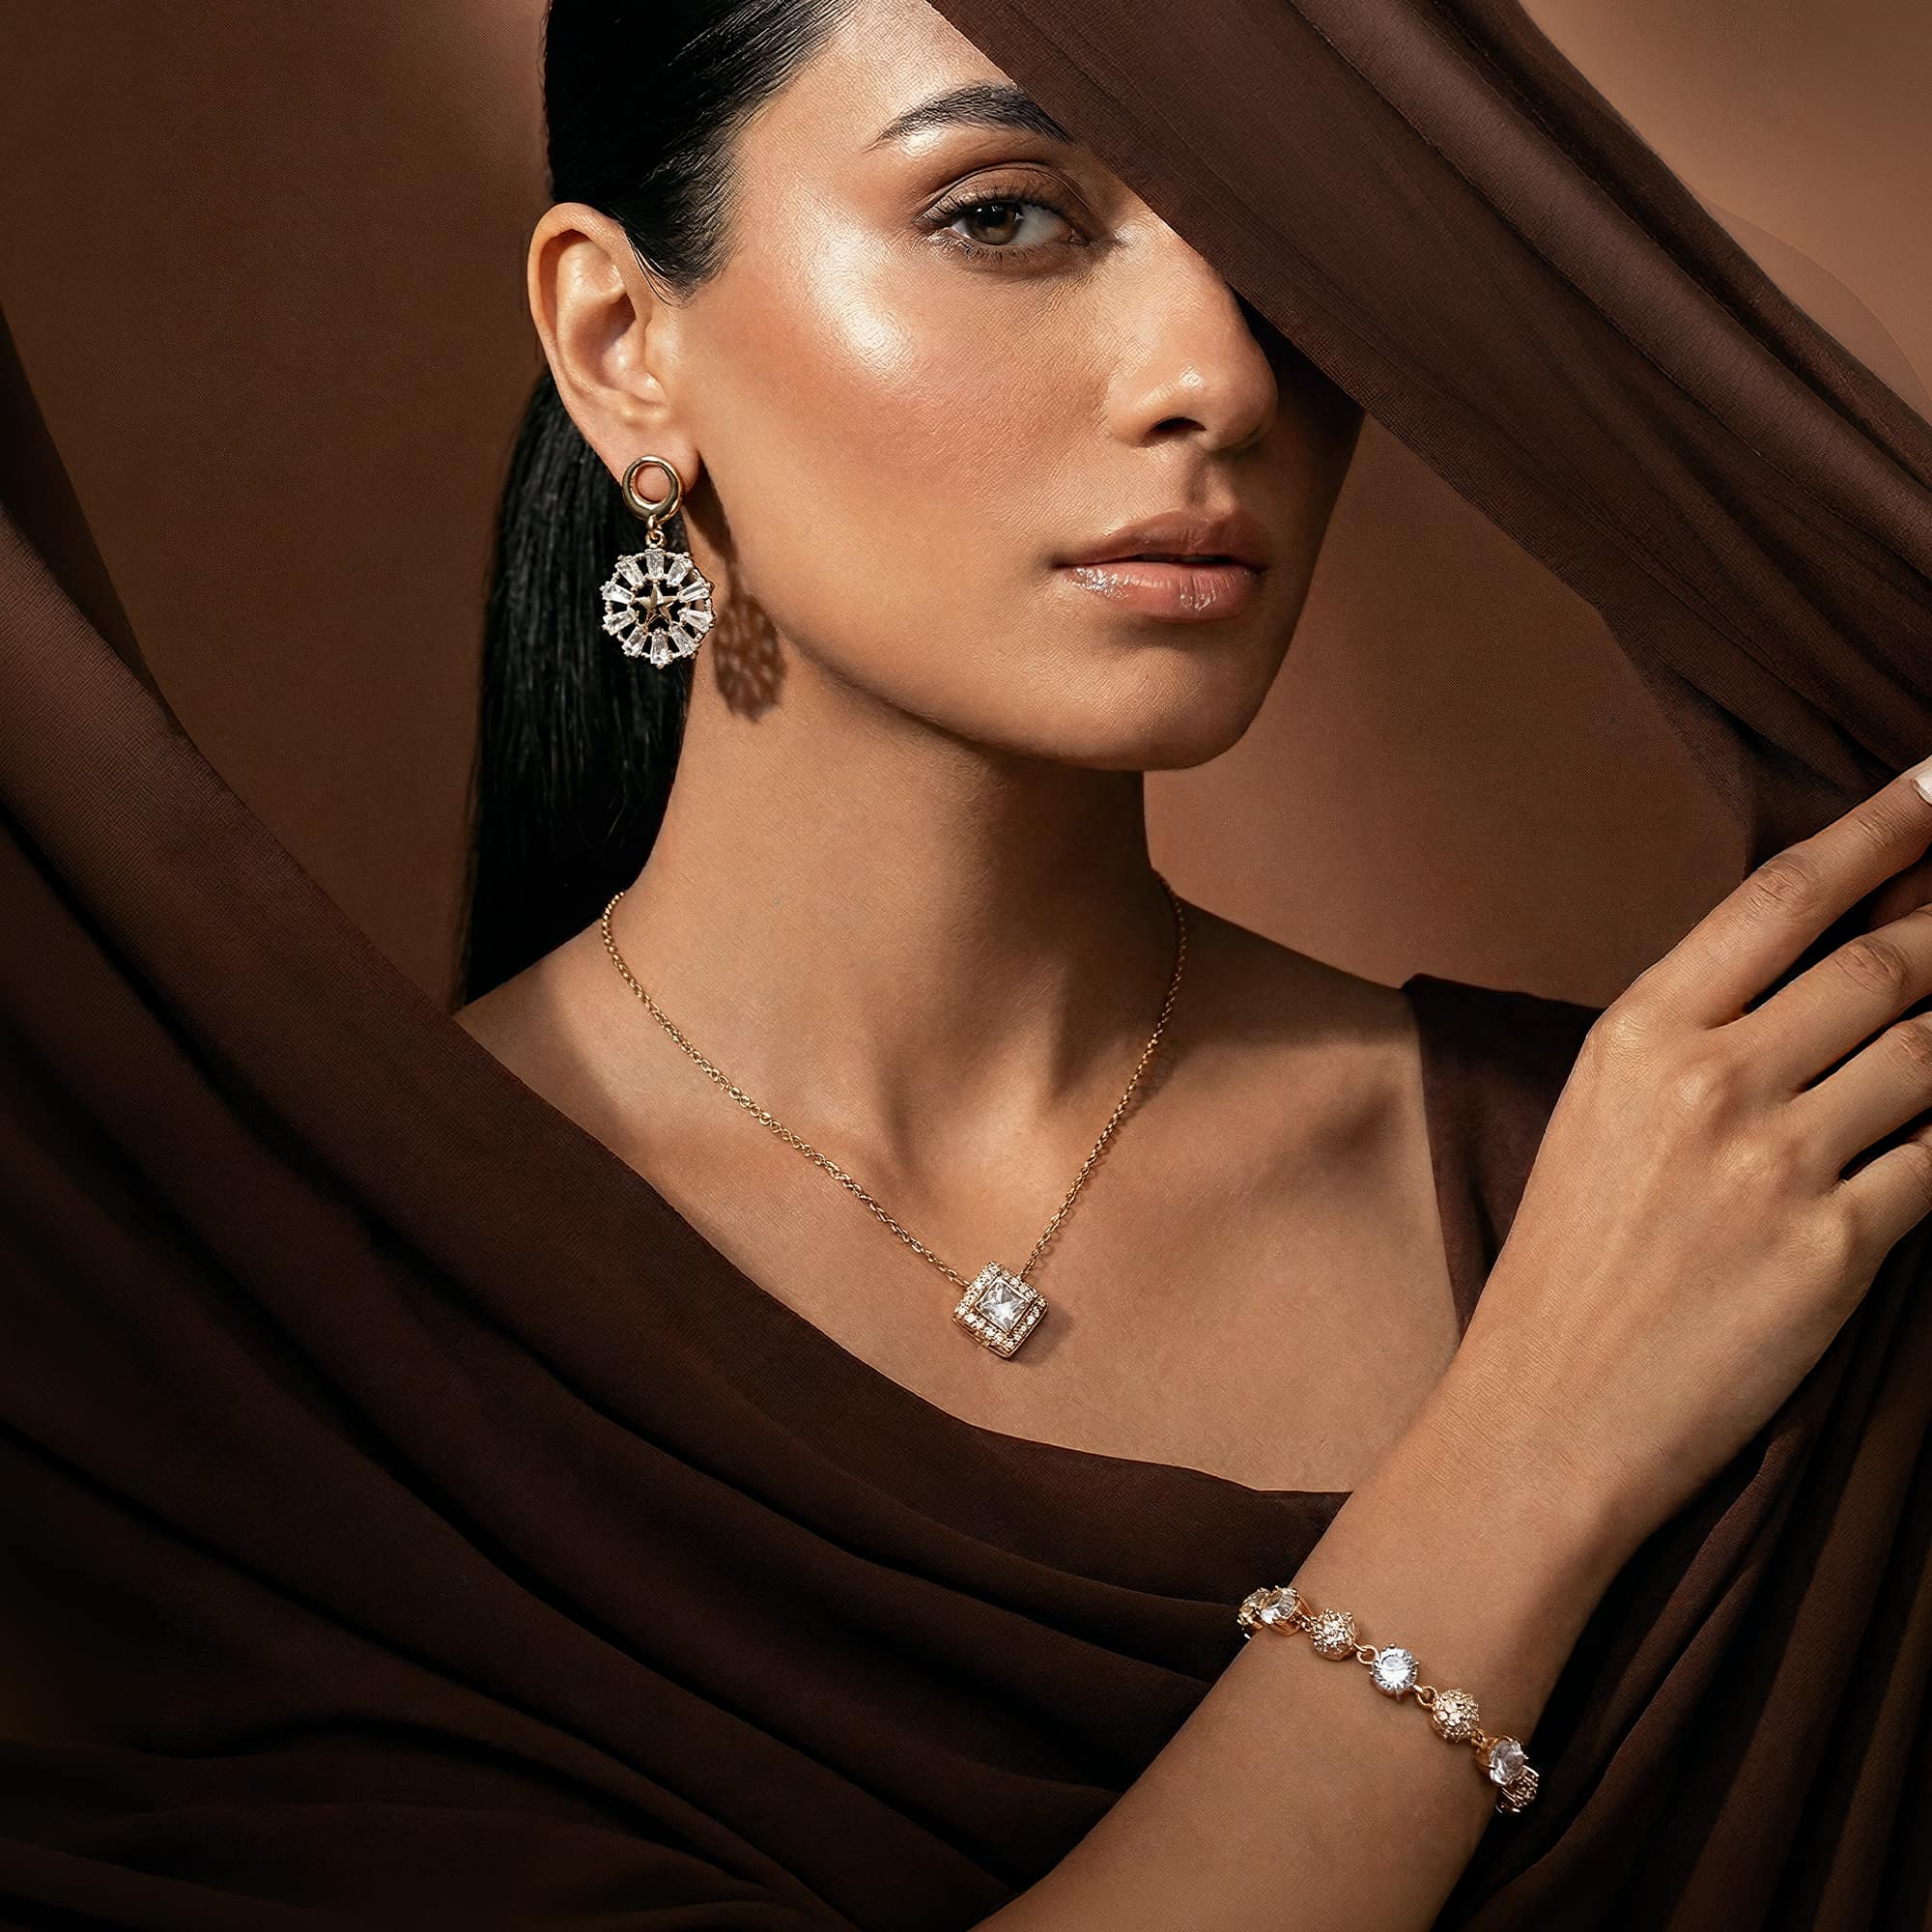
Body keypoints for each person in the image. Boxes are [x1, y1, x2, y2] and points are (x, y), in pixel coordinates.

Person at [3, 0, 1929, 1926]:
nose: (1219, 374)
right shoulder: (336, 1351)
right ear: (621, 341)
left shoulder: (1686, 1185)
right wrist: (1531, 1450)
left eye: (1276, 249)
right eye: (1007, 214)